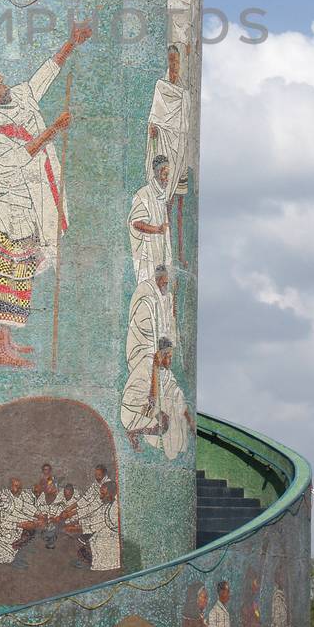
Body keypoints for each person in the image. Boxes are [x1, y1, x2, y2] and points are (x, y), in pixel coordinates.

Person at [0, 21, 93, 365]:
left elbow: (36, 84)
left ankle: (8, 341)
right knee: (1, 276)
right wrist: (52, 131)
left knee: (20, 272)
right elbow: (7, 163)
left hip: (20, 205)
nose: (6, 86)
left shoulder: (9, 103)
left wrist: (69, 44)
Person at [121, 267, 193, 459]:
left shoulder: (163, 371)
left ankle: (143, 433)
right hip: (131, 410)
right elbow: (149, 400)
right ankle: (133, 432)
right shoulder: (146, 365)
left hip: (146, 406)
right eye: (168, 356)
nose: (165, 286)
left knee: (168, 417)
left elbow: (174, 392)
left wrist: (191, 422)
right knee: (163, 420)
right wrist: (154, 365)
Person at [146, 44, 192, 264]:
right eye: (171, 61)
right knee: (166, 200)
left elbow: (186, 123)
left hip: (180, 148)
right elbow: (154, 119)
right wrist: (153, 130)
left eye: (177, 62)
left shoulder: (184, 93)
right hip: (165, 146)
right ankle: (164, 246)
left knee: (181, 201)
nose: (174, 66)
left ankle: (181, 251)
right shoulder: (161, 88)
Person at [128, 155, 173, 287]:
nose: (167, 179)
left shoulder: (162, 196)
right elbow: (136, 222)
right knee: (148, 287)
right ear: (158, 173)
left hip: (161, 251)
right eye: (165, 174)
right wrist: (157, 230)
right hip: (148, 253)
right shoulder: (143, 194)